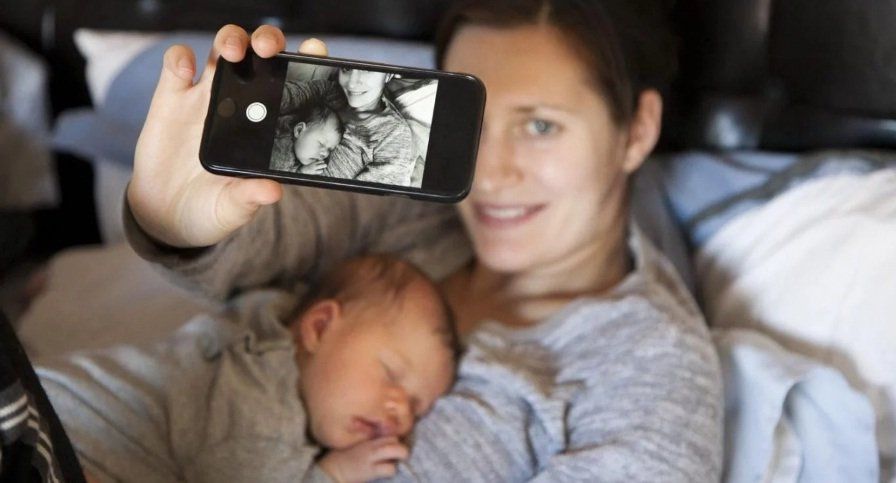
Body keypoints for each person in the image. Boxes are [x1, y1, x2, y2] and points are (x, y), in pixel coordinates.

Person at [125, 0, 724, 480]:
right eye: (472, 128)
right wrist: (168, 216)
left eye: (540, 126)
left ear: (637, 130)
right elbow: (259, 238)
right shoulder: (410, 214)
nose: (490, 175)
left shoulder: (653, 368)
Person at [37, 255, 458, 483]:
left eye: (417, 407)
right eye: (390, 373)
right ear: (318, 326)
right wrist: (334, 474)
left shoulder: (268, 330)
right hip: (61, 438)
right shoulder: (262, 389)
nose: (400, 411)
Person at [278, 68, 418, 186]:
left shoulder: (394, 134)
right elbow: (287, 94)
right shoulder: (330, 92)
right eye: (346, 68)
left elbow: (367, 198)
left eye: (367, 69)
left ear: (388, 74)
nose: (351, 83)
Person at [269, 98, 344, 175]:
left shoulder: (298, 152)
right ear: (299, 130)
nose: (325, 153)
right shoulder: (279, 149)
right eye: (321, 143)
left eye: (330, 149)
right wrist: (301, 172)